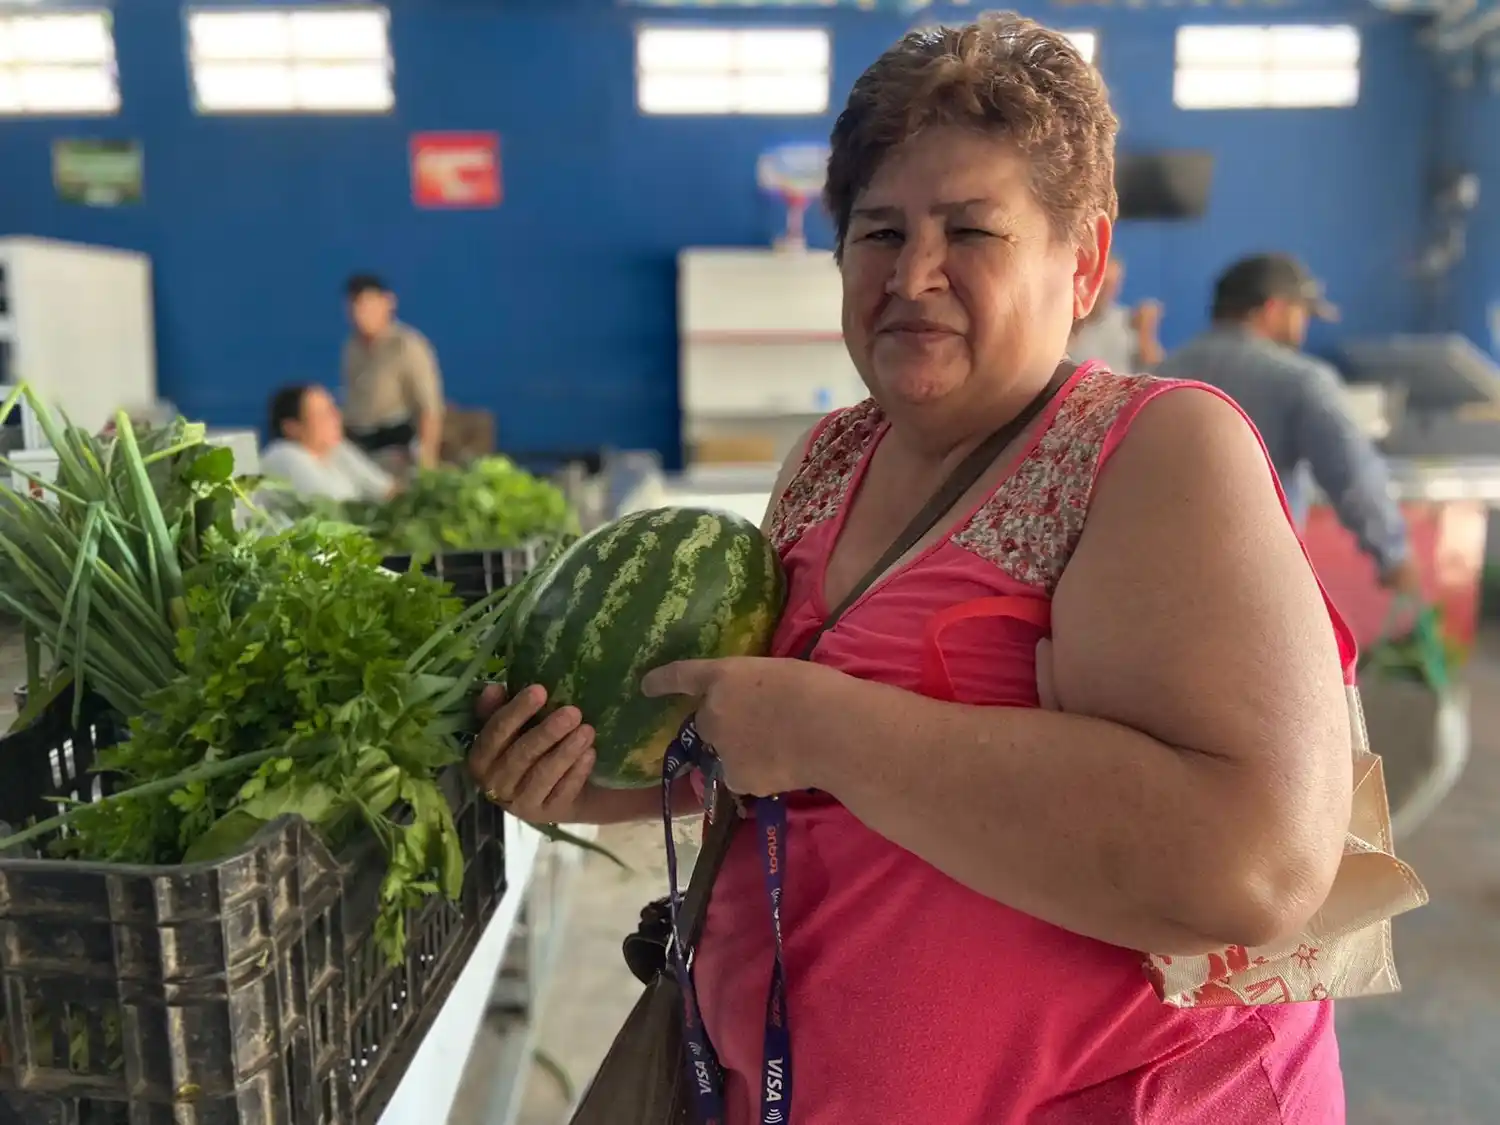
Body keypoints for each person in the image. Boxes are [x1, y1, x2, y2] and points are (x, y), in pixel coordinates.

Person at [470, 17, 1354, 1125]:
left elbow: (1252, 865)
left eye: (971, 230)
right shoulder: (831, 459)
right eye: (879, 231)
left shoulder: (1159, 450)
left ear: (1081, 259)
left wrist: (825, 725)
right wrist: (580, 777)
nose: (913, 274)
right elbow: (763, 760)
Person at [1156, 253, 1419, 594]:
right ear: (1274, 309)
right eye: (1302, 313)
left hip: (1160, 576)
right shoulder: (1300, 379)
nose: (1304, 326)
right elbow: (1351, 471)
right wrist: (1392, 553)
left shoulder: (1160, 372)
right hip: (1255, 584)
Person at [340, 273, 445, 473]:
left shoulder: (408, 346)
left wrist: (426, 460)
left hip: (394, 446)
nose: (359, 313)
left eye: (366, 305)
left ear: (387, 302)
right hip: (357, 443)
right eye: (353, 306)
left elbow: (430, 407)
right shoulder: (351, 348)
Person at [260, 384, 397, 503]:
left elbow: (386, 490)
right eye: (323, 413)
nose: (337, 417)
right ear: (292, 428)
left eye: (334, 409)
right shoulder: (283, 455)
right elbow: (335, 505)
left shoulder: (337, 449)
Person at [1068, 256, 1164, 372]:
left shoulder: (1130, 320)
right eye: (1104, 284)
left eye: (1113, 285)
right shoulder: (1069, 319)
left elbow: (1154, 366)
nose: (1107, 292)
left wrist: (1146, 333)